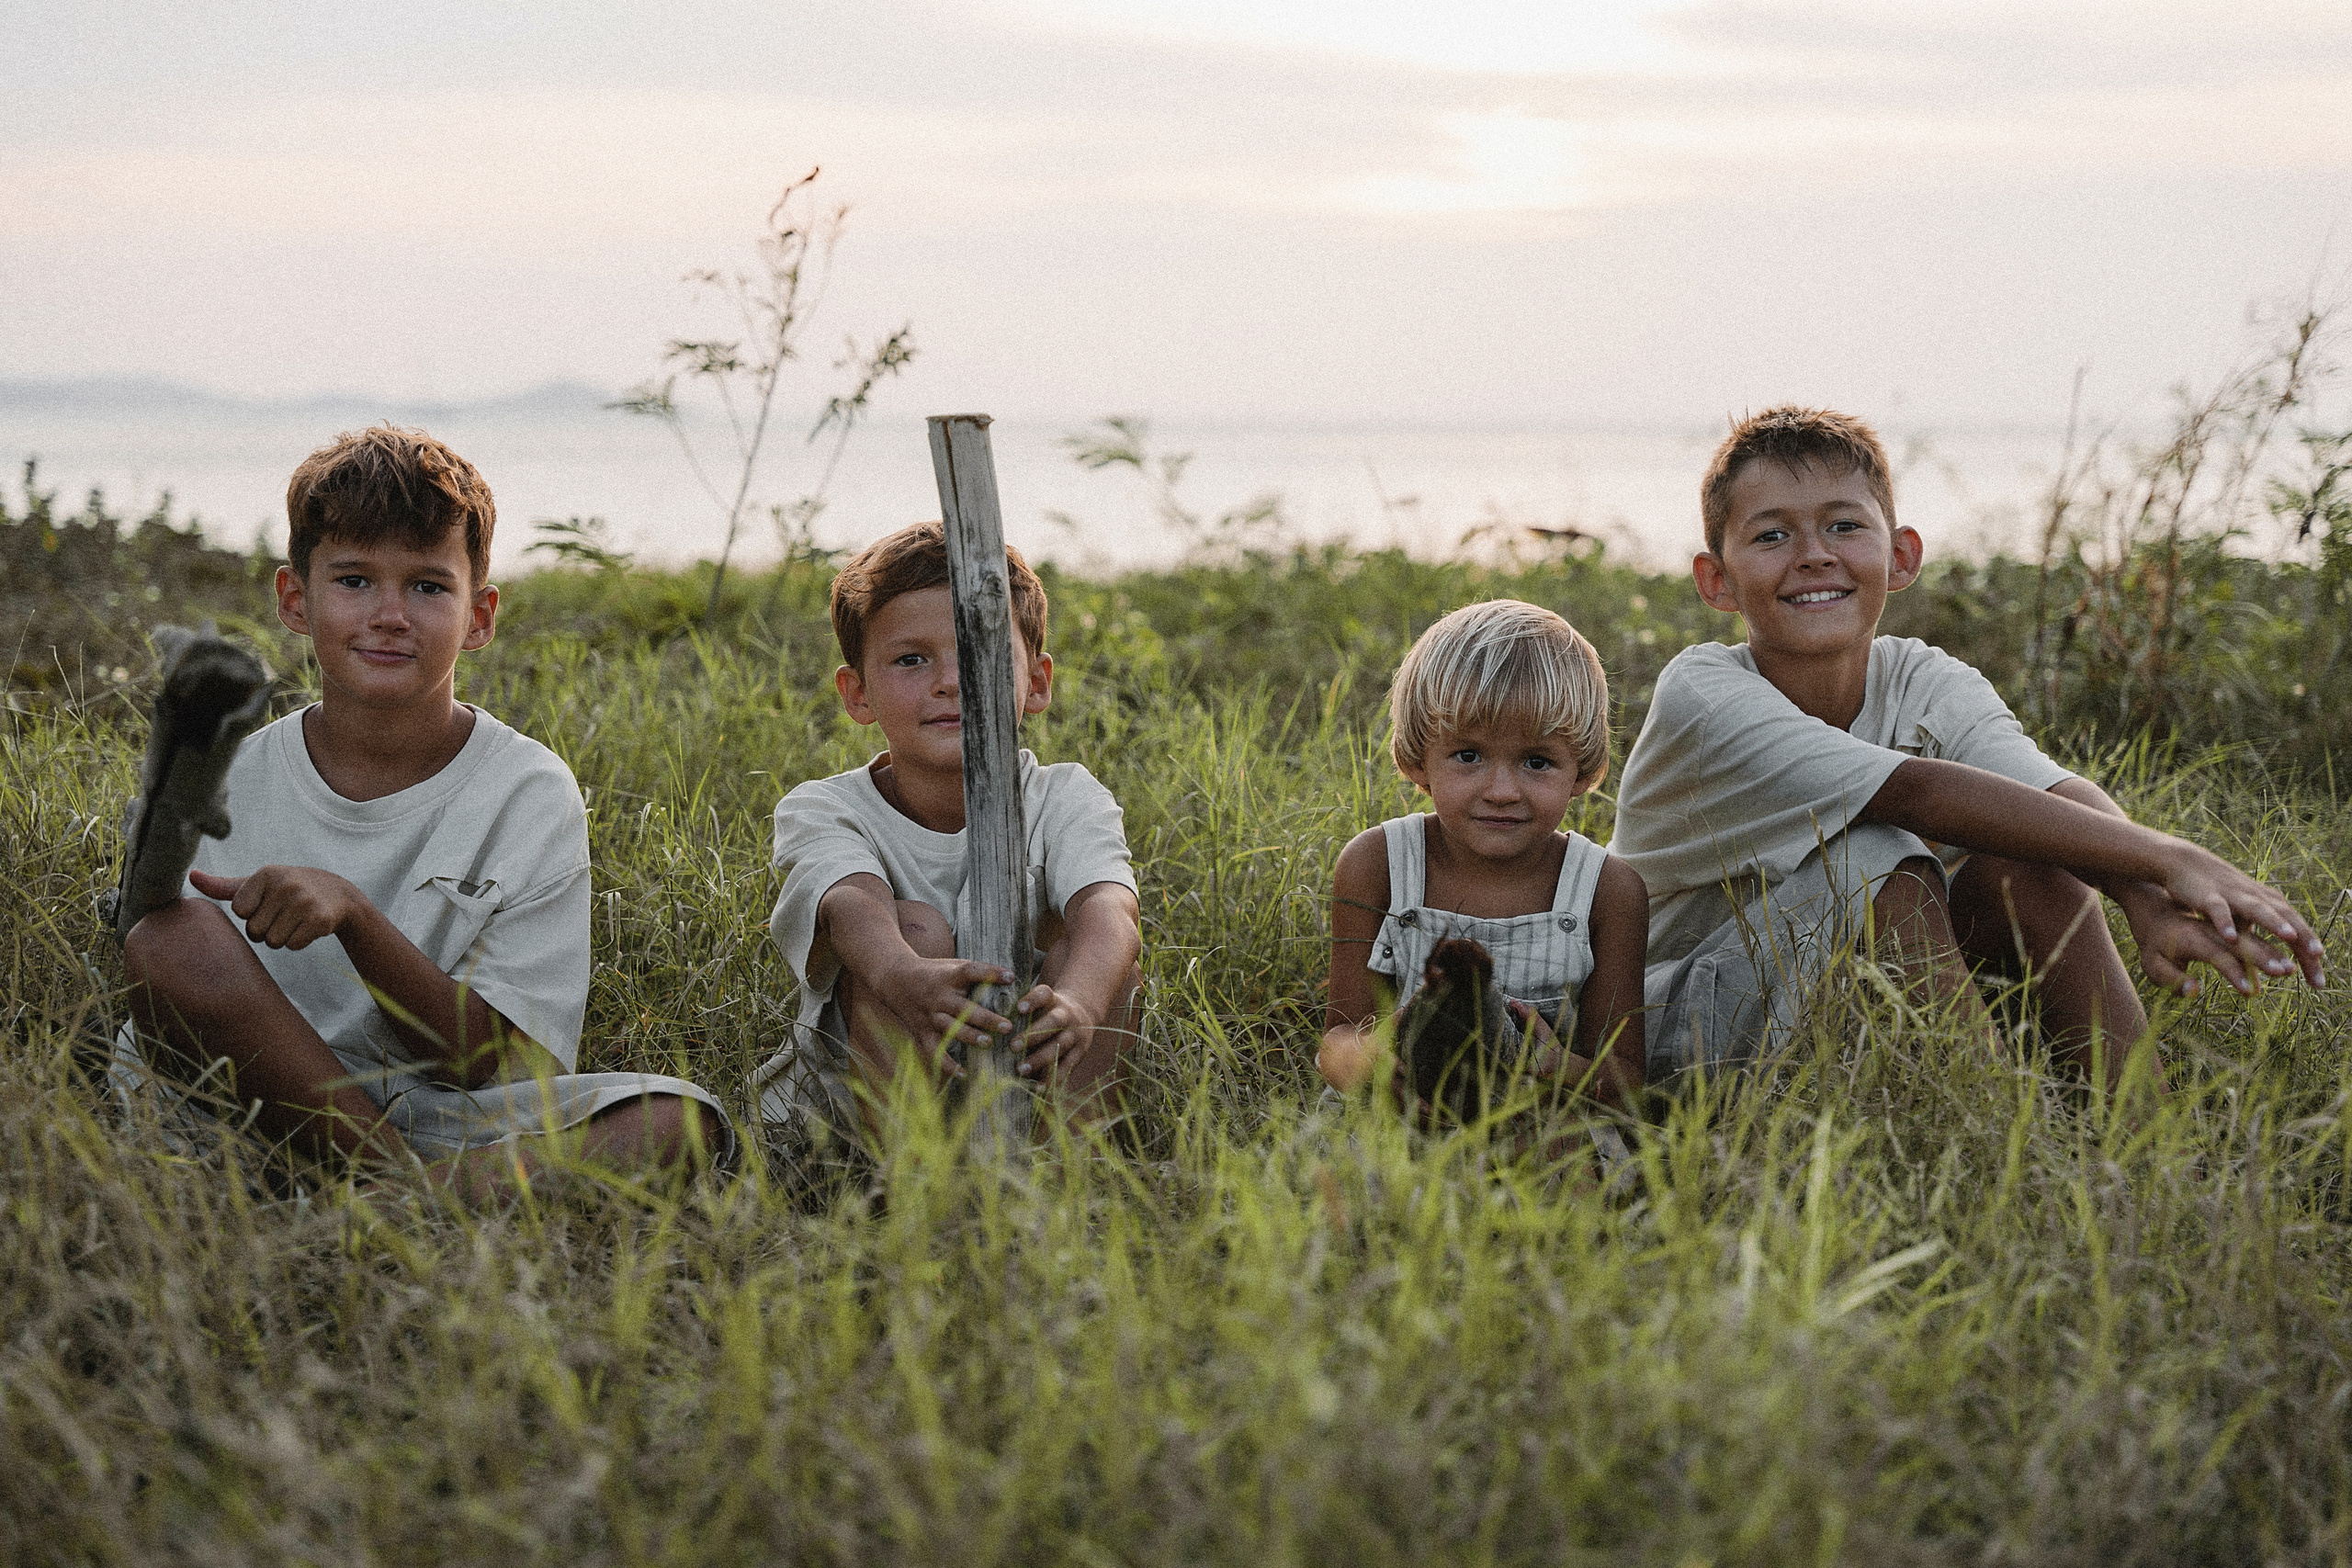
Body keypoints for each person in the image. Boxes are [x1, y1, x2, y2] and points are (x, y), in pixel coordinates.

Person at [1613, 405, 2327, 1089]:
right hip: (1668, 1022)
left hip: (1844, 1004)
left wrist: (2140, 892)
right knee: (1878, 861)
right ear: (1717, 580)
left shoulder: (1925, 676)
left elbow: (2048, 794)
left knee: (2033, 853)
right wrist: (2174, 857)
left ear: (1900, 556)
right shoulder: (1703, 693)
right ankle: (2005, 1142)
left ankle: (2145, 1142)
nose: (1814, 556)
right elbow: (1916, 792)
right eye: (1771, 536)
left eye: (1843, 525)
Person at [119, 425, 731, 1191]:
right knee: (167, 938)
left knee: (682, 1120)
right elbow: (163, 979)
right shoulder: (230, 766)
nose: (389, 614)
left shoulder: (528, 792)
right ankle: (405, 1198)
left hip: (439, 1115)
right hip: (244, 1106)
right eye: (353, 580)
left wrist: (358, 919)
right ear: (294, 599)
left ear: (480, 617)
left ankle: (379, 1195)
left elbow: (496, 1066)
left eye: (428, 586)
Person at [750, 523, 1142, 1168]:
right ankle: (913, 1191)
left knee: (1100, 958)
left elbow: (1111, 909)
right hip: (846, 1123)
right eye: (912, 659)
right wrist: (906, 975)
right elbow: (851, 905)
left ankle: (1068, 1175)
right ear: (858, 694)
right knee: (915, 933)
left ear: (1037, 682)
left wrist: (1079, 1000)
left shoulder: (1068, 796)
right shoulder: (823, 806)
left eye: (979, 652)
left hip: (1027, 1072)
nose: (950, 682)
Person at [1319, 600, 1648, 1115]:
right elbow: (1338, 1036)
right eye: (1468, 755)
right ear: (1417, 758)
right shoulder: (1378, 864)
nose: (1501, 791)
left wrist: (1555, 1065)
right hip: (1397, 1115)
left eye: (1537, 762)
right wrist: (1375, 1064)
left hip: (1541, 1124)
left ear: (1582, 770)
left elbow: (1628, 1080)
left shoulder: (1608, 891)